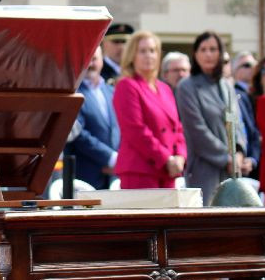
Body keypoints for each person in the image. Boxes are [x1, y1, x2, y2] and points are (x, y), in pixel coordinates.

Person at [176, 30, 246, 280]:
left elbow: (238, 123)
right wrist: (225, 156)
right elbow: (196, 131)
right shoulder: (187, 87)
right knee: (204, 237)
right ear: (195, 54)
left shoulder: (227, 86)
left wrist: (239, 151)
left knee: (221, 237)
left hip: (229, 171)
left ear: (221, 54)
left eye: (213, 49)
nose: (208, 54)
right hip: (204, 169)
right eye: (203, 49)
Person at [113, 31, 186, 188]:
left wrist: (180, 156)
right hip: (140, 170)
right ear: (132, 55)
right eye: (143, 51)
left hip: (168, 171)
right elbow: (135, 130)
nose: (149, 56)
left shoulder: (165, 88)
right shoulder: (126, 86)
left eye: (152, 51)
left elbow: (177, 127)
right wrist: (166, 158)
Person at [65, 46, 119, 189]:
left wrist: (119, 160)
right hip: (85, 175)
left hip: (115, 174)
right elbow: (78, 133)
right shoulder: (72, 91)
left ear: (102, 61)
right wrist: (109, 158)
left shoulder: (112, 91)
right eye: (86, 60)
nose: (90, 64)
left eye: (94, 59)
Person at [232, 52, 260, 178]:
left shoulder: (257, 93)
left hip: (255, 166)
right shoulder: (234, 94)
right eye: (247, 65)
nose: (252, 69)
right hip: (239, 164)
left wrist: (253, 159)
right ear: (234, 71)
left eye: (255, 65)